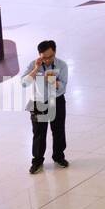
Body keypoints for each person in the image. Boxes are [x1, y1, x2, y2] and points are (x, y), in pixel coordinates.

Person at [21, 40, 68, 173]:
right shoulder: (33, 65)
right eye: (44, 57)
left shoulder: (62, 65)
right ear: (39, 55)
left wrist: (54, 82)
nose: (47, 60)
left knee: (58, 130)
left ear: (55, 52)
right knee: (39, 133)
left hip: (56, 100)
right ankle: (37, 161)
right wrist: (36, 69)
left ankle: (59, 156)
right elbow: (24, 83)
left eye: (50, 57)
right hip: (38, 102)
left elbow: (63, 87)